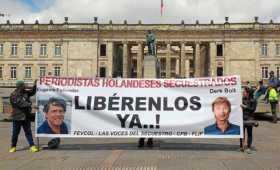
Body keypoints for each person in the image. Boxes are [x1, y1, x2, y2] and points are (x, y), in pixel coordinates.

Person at [9, 80, 39, 153]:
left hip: (26, 116)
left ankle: (32, 146)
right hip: (17, 117)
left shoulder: (25, 93)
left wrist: (35, 85)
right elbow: (20, 103)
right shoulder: (13, 94)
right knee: (15, 133)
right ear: (20, 86)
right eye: (23, 86)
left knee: (28, 131)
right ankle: (13, 146)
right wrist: (30, 105)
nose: (24, 87)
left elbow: (32, 92)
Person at [240, 87, 258, 154]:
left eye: (244, 92)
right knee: (242, 133)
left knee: (249, 133)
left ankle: (248, 146)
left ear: (248, 93)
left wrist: (245, 107)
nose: (242, 93)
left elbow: (253, 109)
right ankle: (242, 146)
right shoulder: (242, 99)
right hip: (242, 118)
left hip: (249, 118)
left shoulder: (253, 100)